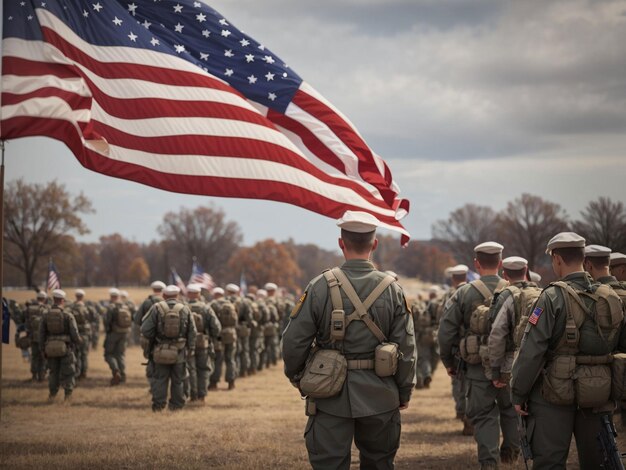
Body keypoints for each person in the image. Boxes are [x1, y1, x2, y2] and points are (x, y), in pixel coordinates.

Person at [282, 210, 416, 470]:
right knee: (379, 463)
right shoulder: (392, 289)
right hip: (381, 393)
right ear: (374, 244)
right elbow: (407, 348)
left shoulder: (319, 286)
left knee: (329, 464)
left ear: (341, 243)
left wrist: (299, 378)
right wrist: (404, 390)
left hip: (328, 393)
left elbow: (293, 342)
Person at [511, 232, 625, 468]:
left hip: (554, 393)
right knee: (598, 461)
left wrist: (518, 394)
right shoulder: (610, 296)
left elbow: (532, 350)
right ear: (584, 258)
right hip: (599, 392)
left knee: (550, 462)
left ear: (557, 259)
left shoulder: (551, 297)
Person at [438, 242, 518, 469]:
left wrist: (448, 361)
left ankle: (489, 463)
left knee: (484, 417)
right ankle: (511, 452)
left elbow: (446, 331)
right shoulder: (516, 291)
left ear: (476, 263)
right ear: (501, 264)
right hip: (510, 365)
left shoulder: (463, 293)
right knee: (510, 411)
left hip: (475, 367)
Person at [141, 285, 196, 411]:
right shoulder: (185, 309)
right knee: (178, 380)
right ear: (177, 295)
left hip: (160, 350)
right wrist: (190, 348)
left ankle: (159, 406)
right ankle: (177, 406)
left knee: (160, 379)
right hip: (180, 351)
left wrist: (155, 340)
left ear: (164, 295)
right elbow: (192, 331)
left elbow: (145, 329)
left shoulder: (156, 308)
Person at [487, 257, 540, 388]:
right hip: (539, 362)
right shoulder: (540, 293)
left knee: (508, 407)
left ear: (504, 274)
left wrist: (494, 370)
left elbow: (497, 334)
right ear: (526, 270)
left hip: (510, 364)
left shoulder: (505, 296)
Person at [441, 264, 473, 434]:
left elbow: (444, 324)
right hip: (476, 346)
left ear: (453, 279)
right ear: (466, 277)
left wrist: (446, 355)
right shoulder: (473, 292)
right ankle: (468, 413)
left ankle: (461, 410)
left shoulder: (449, 296)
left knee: (458, 382)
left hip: (457, 347)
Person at [39, 289, 81, 403]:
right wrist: (78, 343)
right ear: (62, 300)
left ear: (53, 299)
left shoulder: (45, 315)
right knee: (68, 371)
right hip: (65, 348)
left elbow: (41, 333)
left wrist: (42, 349)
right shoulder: (67, 315)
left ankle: (52, 395)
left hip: (50, 348)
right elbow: (74, 333)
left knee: (53, 372)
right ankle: (67, 396)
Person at [185, 284, 221, 403]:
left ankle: (193, 395)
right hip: (203, 343)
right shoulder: (206, 308)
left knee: (191, 369)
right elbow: (216, 328)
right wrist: (210, 336)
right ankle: (202, 396)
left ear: (188, 294)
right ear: (199, 294)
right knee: (203, 369)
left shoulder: (183, 308)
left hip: (187, 343)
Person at [135, 280, 165, 392]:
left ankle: (154, 387)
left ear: (153, 289)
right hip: (165, 338)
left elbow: (137, 320)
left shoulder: (147, 302)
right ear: (163, 290)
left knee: (152, 360)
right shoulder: (167, 301)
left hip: (150, 338)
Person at [209, 286, 238, 391]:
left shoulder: (213, 304)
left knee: (218, 359)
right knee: (230, 359)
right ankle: (231, 383)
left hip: (219, 335)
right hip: (231, 334)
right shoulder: (231, 305)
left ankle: (213, 383)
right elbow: (236, 320)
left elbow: (211, 321)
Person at [103, 288, 133, 385]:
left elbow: (106, 321)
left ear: (111, 296)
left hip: (113, 333)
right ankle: (123, 376)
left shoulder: (111, 307)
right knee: (120, 355)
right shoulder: (125, 306)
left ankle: (116, 371)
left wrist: (107, 330)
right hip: (125, 333)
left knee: (109, 354)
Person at [23, 291, 49, 382]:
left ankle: (34, 376)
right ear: (45, 299)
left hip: (33, 336)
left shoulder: (29, 309)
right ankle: (42, 376)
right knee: (43, 356)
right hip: (44, 337)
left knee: (34, 356)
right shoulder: (47, 308)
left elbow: (25, 322)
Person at [70, 289, 92, 379]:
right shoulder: (87, 307)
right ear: (82, 297)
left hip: (76, 334)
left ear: (76, 296)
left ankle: (77, 373)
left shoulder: (71, 308)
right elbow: (94, 318)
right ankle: (84, 373)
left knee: (76, 354)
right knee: (84, 354)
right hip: (86, 334)